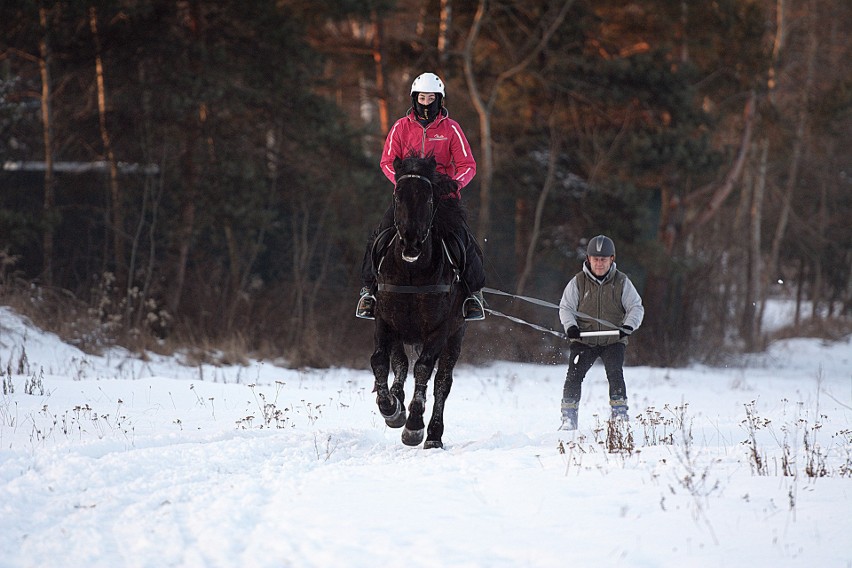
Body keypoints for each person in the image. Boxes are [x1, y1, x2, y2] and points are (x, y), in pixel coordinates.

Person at [356, 72, 485, 321]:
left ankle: (473, 296)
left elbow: (468, 165)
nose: (426, 103)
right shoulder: (400, 127)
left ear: (440, 100)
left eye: (431, 98)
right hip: (407, 200)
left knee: (463, 238)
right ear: (414, 99)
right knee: (379, 236)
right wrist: (405, 185)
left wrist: (454, 185)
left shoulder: (451, 129)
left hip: (442, 199)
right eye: (422, 98)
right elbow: (386, 161)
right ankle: (368, 292)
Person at [557, 235, 644, 430]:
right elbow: (566, 308)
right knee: (574, 376)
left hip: (613, 340)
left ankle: (620, 415)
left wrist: (627, 327)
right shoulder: (578, 282)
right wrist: (571, 327)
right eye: (595, 259)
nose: (599, 263)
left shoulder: (622, 282)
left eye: (603, 259)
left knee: (615, 373)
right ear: (588, 259)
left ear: (612, 259)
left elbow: (636, 307)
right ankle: (568, 419)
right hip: (584, 340)